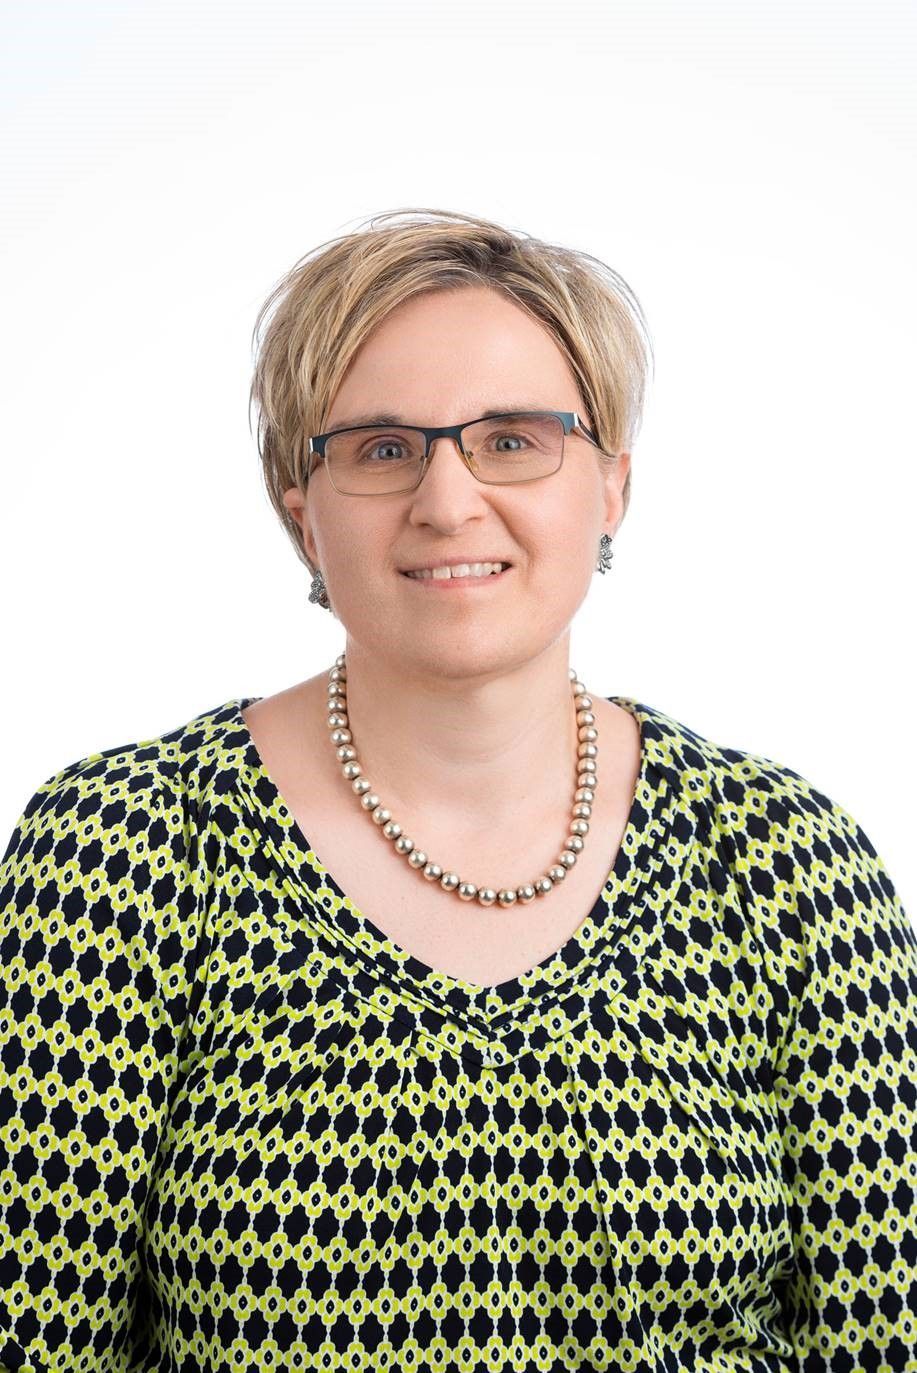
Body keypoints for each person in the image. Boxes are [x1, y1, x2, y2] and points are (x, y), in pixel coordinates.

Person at [1, 207, 914, 1372]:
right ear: (302, 515)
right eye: (382, 448)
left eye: (513, 437)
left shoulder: (787, 860)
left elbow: (886, 1343)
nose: (446, 498)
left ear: (610, 490)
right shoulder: (119, 852)